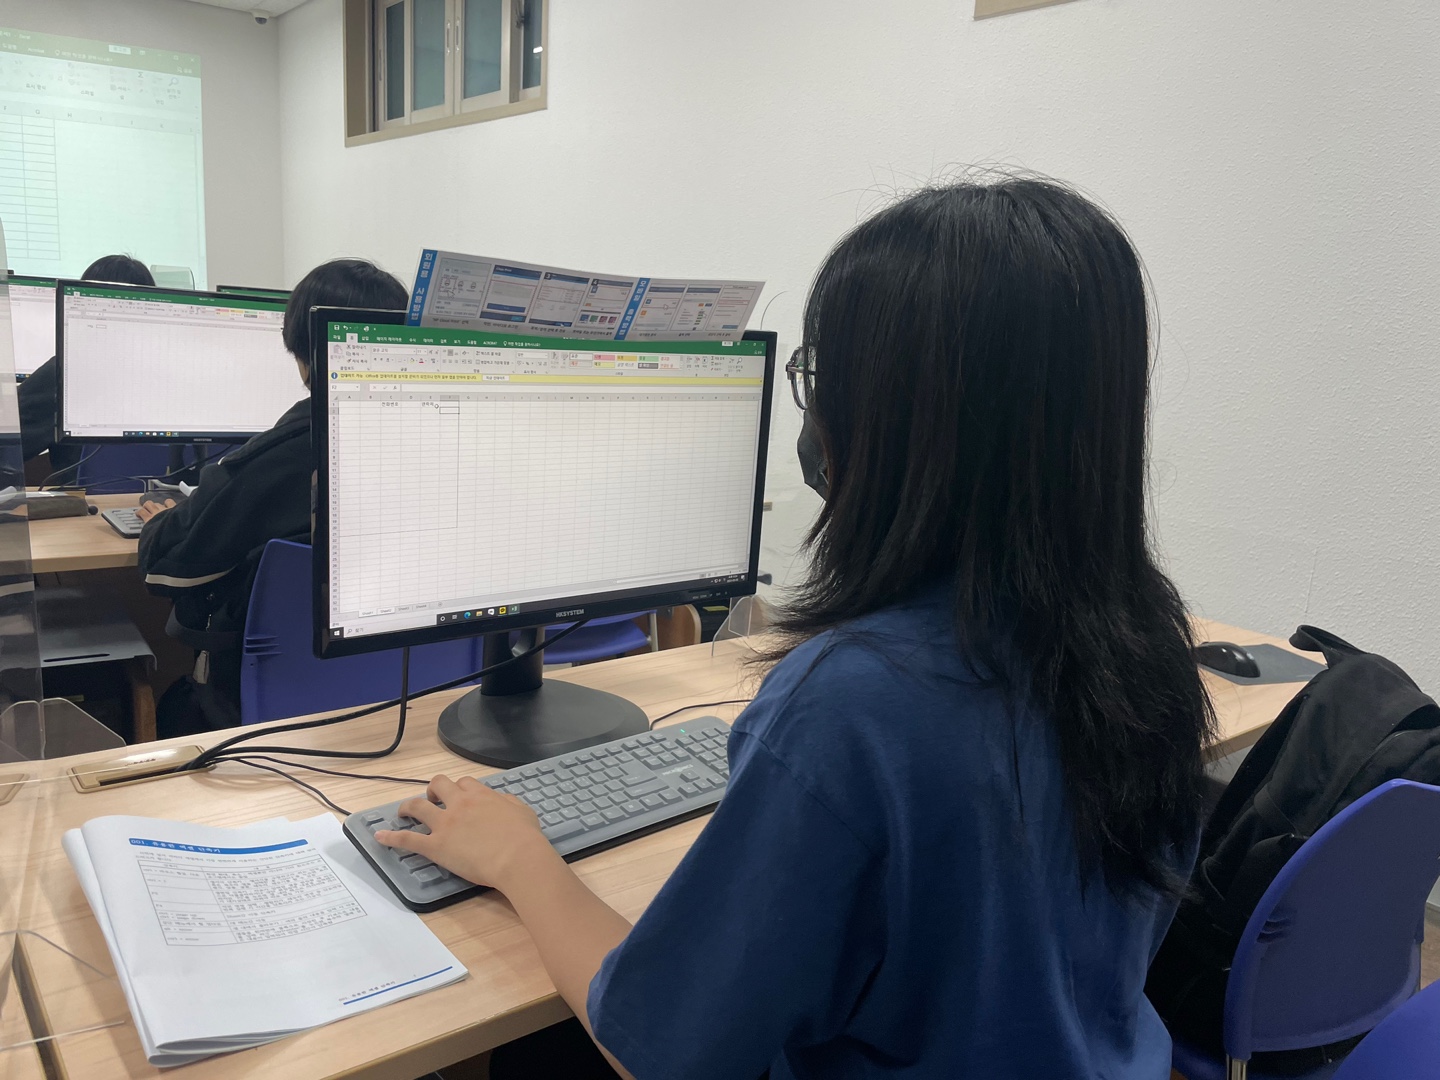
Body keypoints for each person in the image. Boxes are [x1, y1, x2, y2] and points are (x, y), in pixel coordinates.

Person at [376, 177, 1217, 1080]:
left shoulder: (853, 706)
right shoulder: (1149, 647)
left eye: (824, 377)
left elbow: (662, 1051)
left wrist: (520, 856)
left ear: (894, 419)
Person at [138, 259, 409, 736]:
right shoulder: (447, 439)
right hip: (423, 696)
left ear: (299, 350)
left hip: (274, 712)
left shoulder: (280, 456)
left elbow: (164, 567)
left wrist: (159, 522)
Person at [20, 255, 156, 479]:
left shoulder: (62, 373)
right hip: (171, 495)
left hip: (85, 497)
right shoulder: (172, 371)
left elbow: (8, 445)